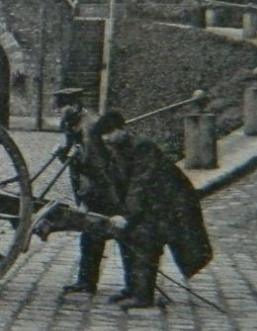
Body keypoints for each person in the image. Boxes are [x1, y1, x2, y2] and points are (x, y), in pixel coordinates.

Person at [92, 110, 214, 310]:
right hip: (151, 204)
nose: (106, 138)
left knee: (145, 238)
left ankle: (143, 295)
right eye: (103, 135)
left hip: (171, 204)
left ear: (123, 129)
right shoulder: (117, 149)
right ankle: (132, 287)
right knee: (125, 236)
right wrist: (115, 211)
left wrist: (128, 215)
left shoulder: (143, 147)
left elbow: (140, 184)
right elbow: (116, 185)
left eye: (109, 133)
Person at [47, 88, 122, 299]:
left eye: (60, 108)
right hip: (86, 185)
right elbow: (74, 158)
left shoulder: (89, 125)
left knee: (98, 230)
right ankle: (86, 281)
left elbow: (95, 163)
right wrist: (63, 154)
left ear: (73, 106)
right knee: (90, 233)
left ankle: (132, 286)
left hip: (100, 187)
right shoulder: (72, 122)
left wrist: (88, 196)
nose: (57, 112)